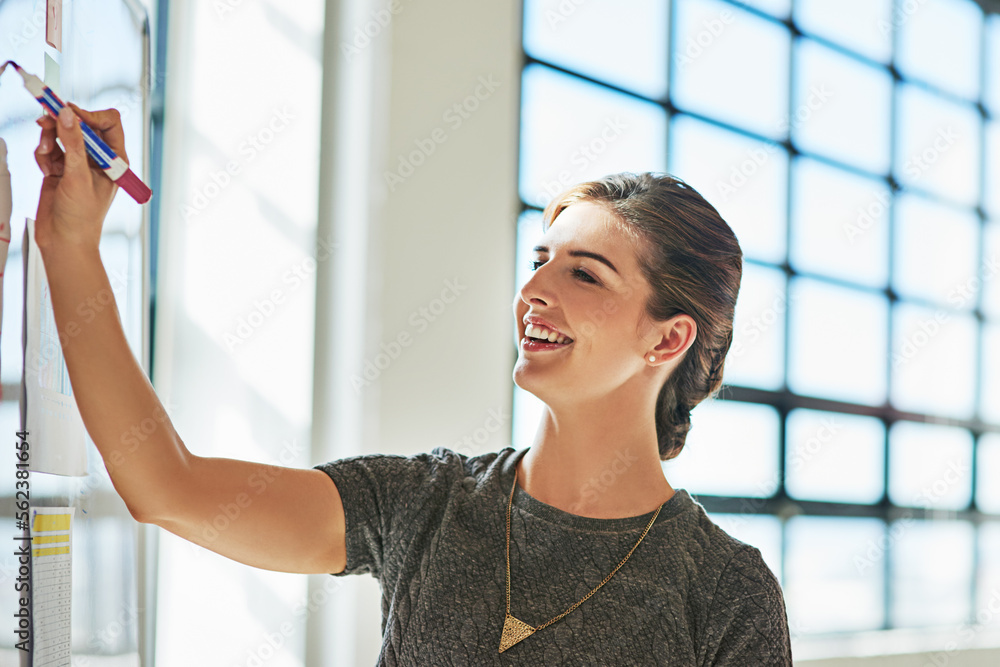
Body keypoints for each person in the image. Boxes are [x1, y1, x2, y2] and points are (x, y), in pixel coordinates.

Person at [34, 104, 793, 665]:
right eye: (540, 258)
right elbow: (165, 486)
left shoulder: (725, 589)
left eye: (584, 273)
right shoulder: (424, 503)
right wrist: (70, 245)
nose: (534, 289)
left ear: (667, 337)